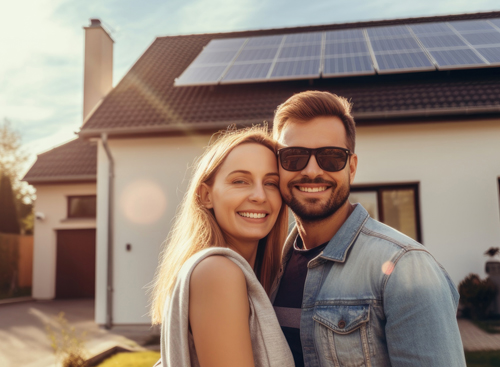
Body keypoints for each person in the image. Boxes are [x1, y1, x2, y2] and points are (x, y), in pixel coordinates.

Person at [270, 91, 466, 367]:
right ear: (277, 167)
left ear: (351, 168)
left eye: (330, 157)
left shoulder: (406, 267)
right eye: (293, 157)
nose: (312, 171)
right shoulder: (270, 267)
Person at [150, 125, 295, 367]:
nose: (260, 195)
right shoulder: (217, 271)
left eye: (271, 183)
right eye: (240, 181)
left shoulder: (245, 276)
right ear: (206, 196)